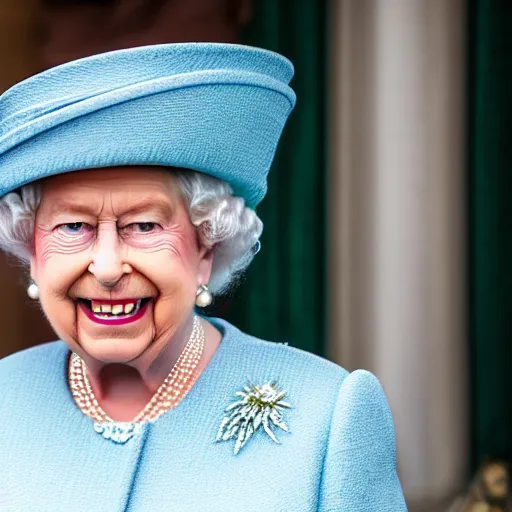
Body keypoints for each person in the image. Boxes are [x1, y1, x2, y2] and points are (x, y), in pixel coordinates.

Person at [0, 43, 407, 511]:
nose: (108, 268)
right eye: (74, 227)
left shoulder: (328, 418)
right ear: (32, 250)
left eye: (144, 226)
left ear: (206, 248)